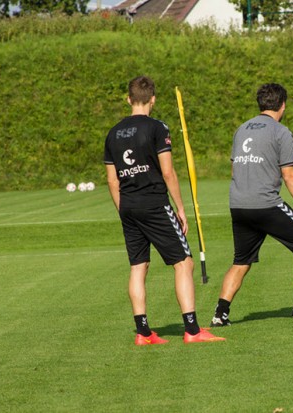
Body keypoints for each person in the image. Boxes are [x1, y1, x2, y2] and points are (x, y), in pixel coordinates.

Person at [104, 76, 224, 345]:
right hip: (155, 203)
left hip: (128, 206)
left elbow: (112, 180)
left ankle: (143, 333)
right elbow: (168, 172)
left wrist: (123, 209)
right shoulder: (157, 127)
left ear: (128, 99)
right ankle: (193, 330)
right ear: (153, 99)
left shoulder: (113, 133)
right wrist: (180, 208)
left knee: (138, 266)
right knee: (184, 262)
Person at [210, 83, 293, 327]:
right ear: (282, 105)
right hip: (265, 203)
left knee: (241, 261)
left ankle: (220, 315)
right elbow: (290, 176)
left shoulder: (241, 129)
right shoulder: (281, 132)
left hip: (238, 204)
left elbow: (235, 168)